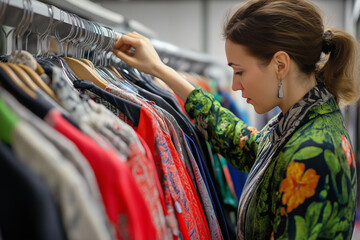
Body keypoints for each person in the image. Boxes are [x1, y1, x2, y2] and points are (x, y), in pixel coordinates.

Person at [112, 0, 359, 239]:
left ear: (280, 65)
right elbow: (241, 142)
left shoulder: (312, 151)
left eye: (239, 71)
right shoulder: (298, 123)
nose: (234, 85)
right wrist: (159, 70)